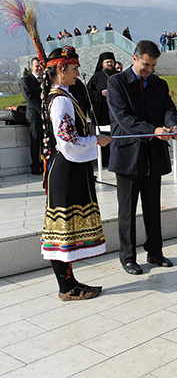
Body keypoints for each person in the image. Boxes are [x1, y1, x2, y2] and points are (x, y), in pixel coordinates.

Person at [41, 46, 112, 300]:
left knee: (66, 229)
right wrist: (95, 141)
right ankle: (66, 288)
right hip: (66, 168)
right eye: (74, 69)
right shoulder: (60, 99)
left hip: (69, 167)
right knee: (61, 229)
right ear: (61, 69)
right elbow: (67, 140)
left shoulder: (62, 95)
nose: (78, 73)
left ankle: (70, 284)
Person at [107, 40, 177, 275]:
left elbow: (169, 109)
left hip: (153, 155)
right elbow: (123, 117)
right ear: (134, 58)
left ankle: (155, 252)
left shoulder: (159, 84)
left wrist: (173, 126)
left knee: (153, 207)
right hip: (128, 154)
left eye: (153, 66)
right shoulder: (116, 82)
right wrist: (153, 130)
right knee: (127, 210)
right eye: (146, 65)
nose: (149, 70)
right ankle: (128, 257)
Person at [87, 52, 117, 166]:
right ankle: (105, 161)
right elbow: (88, 92)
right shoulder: (96, 77)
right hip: (102, 111)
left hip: (116, 111)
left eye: (111, 62)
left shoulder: (119, 75)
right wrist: (100, 93)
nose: (110, 64)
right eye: (107, 62)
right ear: (102, 64)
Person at [20, 57, 44, 175]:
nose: (39, 68)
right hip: (34, 116)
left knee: (46, 141)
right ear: (31, 67)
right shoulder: (26, 80)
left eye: (41, 66)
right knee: (36, 141)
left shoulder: (46, 80)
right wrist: (41, 109)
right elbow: (29, 98)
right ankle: (35, 165)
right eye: (37, 66)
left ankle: (46, 164)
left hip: (46, 116)